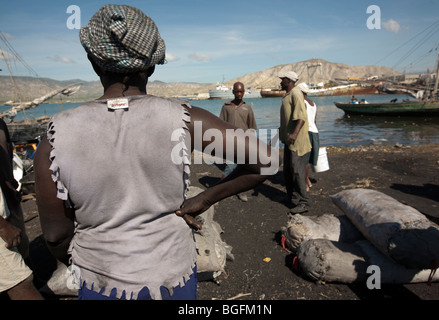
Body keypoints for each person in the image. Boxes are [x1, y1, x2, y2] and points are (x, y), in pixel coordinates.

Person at [34, 4, 275, 300]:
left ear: (94, 63)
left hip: (101, 282)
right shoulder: (186, 120)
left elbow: (55, 235)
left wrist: (80, 259)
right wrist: (203, 199)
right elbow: (265, 161)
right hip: (172, 279)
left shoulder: (55, 136)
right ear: (151, 65)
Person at [0, 119, 43, 300]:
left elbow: (5, 153)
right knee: (21, 283)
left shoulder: (1, 124)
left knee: (23, 254)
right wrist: (2, 225)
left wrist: (8, 181)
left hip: (6, 199)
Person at [219, 82, 258, 202]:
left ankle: (241, 191)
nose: (239, 94)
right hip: (230, 142)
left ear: (244, 92)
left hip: (244, 143)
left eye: (241, 92)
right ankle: (219, 189)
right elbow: (221, 125)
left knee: (242, 169)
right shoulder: (226, 107)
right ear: (233, 92)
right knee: (230, 166)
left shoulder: (247, 108)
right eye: (237, 92)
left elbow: (251, 128)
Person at [279, 72, 311, 214]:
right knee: (287, 170)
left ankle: (304, 202)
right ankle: (291, 195)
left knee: (297, 171)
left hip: (296, 141)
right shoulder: (287, 95)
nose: (280, 82)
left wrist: (294, 134)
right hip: (288, 140)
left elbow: (302, 117)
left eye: (282, 79)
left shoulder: (296, 93)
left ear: (288, 80)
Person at [298, 83, 319, 191]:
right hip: (315, 131)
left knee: (304, 159)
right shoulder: (313, 103)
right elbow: (314, 120)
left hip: (307, 132)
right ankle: (307, 180)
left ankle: (306, 181)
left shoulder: (303, 103)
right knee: (308, 158)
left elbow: (302, 119)